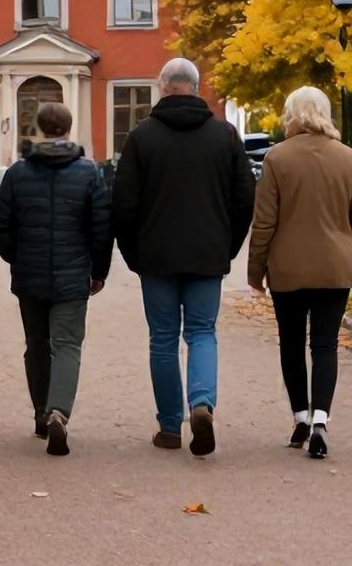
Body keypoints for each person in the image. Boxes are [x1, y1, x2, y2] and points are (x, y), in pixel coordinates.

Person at [111, 58, 253, 457]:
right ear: (196, 85)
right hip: (207, 252)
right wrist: (227, 246)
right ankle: (202, 403)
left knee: (163, 339)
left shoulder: (142, 137)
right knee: (202, 332)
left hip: (155, 255)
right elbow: (245, 198)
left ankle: (170, 426)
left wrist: (133, 253)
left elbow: (123, 203)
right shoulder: (224, 136)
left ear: (162, 87)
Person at [248, 86, 352, 461]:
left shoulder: (276, 158)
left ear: (291, 115)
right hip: (335, 267)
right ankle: (321, 418)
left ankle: (300, 416)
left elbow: (264, 222)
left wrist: (256, 270)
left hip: (287, 268)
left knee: (291, 343)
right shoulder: (348, 158)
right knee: (325, 344)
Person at [0, 101, 111, 456]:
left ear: (39, 129)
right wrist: (98, 271)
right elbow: (102, 228)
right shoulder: (89, 172)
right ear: (69, 129)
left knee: (37, 344)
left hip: (30, 276)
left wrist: (17, 257)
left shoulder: (18, 172)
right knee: (67, 344)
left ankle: (41, 413)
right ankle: (59, 411)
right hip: (74, 275)